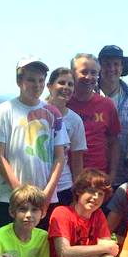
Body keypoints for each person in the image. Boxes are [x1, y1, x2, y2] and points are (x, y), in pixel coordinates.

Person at [0, 56, 68, 230]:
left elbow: (60, 157)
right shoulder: (4, 110)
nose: (37, 85)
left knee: (42, 251)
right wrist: (19, 193)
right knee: (6, 251)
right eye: (31, 80)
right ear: (19, 81)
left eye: (41, 80)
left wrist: (47, 194)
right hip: (10, 197)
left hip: (45, 200)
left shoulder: (53, 112)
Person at [67, 53, 121, 182]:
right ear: (72, 73)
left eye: (94, 73)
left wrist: (112, 174)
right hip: (67, 178)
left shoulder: (107, 105)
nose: (89, 77)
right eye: (84, 72)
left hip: (98, 179)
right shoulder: (63, 104)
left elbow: (114, 142)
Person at [98, 45, 128, 187]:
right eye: (106, 64)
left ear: (122, 67)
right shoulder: (88, 94)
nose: (111, 68)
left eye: (116, 64)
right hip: (94, 172)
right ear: (99, 67)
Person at [46, 67, 87, 206]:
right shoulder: (35, 112)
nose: (66, 87)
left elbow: (77, 161)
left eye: (70, 84)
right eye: (61, 83)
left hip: (63, 187)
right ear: (49, 86)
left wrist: (78, 193)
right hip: (36, 184)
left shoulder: (75, 120)